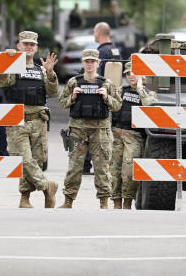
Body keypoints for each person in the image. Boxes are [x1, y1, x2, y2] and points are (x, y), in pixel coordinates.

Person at [0, 30, 59, 208]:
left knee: (36, 161)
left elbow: (53, 93)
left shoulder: (41, 71)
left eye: (32, 44)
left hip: (39, 120)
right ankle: (47, 186)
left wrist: (51, 73)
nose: (29, 47)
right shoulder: (12, 67)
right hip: (17, 120)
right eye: (25, 44)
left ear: (36, 48)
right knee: (22, 159)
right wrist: (6, 62)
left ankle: (25, 198)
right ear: (19, 46)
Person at [58, 48, 121, 209]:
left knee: (102, 168)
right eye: (87, 61)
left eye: (93, 61)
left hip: (100, 130)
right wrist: (72, 97)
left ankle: (104, 202)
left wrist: (106, 97)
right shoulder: (74, 82)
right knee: (74, 167)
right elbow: (62, 102)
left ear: (98, 63)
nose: (90, 64)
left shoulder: (107, 83)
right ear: (83, 62)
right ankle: (68, 201)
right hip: (77, 129)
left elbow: (118, 105)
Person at [109, 61, 157, 209]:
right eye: (128, 73)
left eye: (134, 73)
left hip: (134, 137)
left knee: (129, 172)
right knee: (113, 171)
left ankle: (128, 202)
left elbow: (150, 106)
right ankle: (117, 202)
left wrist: (140, 88)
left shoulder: (149, 93)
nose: (131, 76)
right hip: (116, 134)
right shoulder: (121, 90)